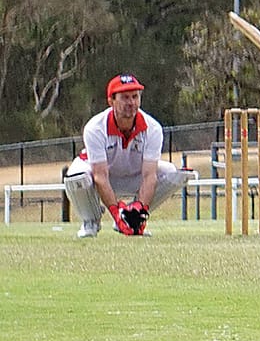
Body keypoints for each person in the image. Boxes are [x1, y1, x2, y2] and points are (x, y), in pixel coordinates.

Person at [61, 74, 194, 238]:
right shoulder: (95, 127)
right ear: (111, 101)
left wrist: (141, 209)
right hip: (99, 176)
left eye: (135, 97)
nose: (131, 103)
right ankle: (91, 222)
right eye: (124, 97)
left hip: (134, 175)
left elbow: (149, 176)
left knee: (174, 173)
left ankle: (133, 218)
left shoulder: (153, 128)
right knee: (75, 177)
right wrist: (116, 213)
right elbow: (100, 176)